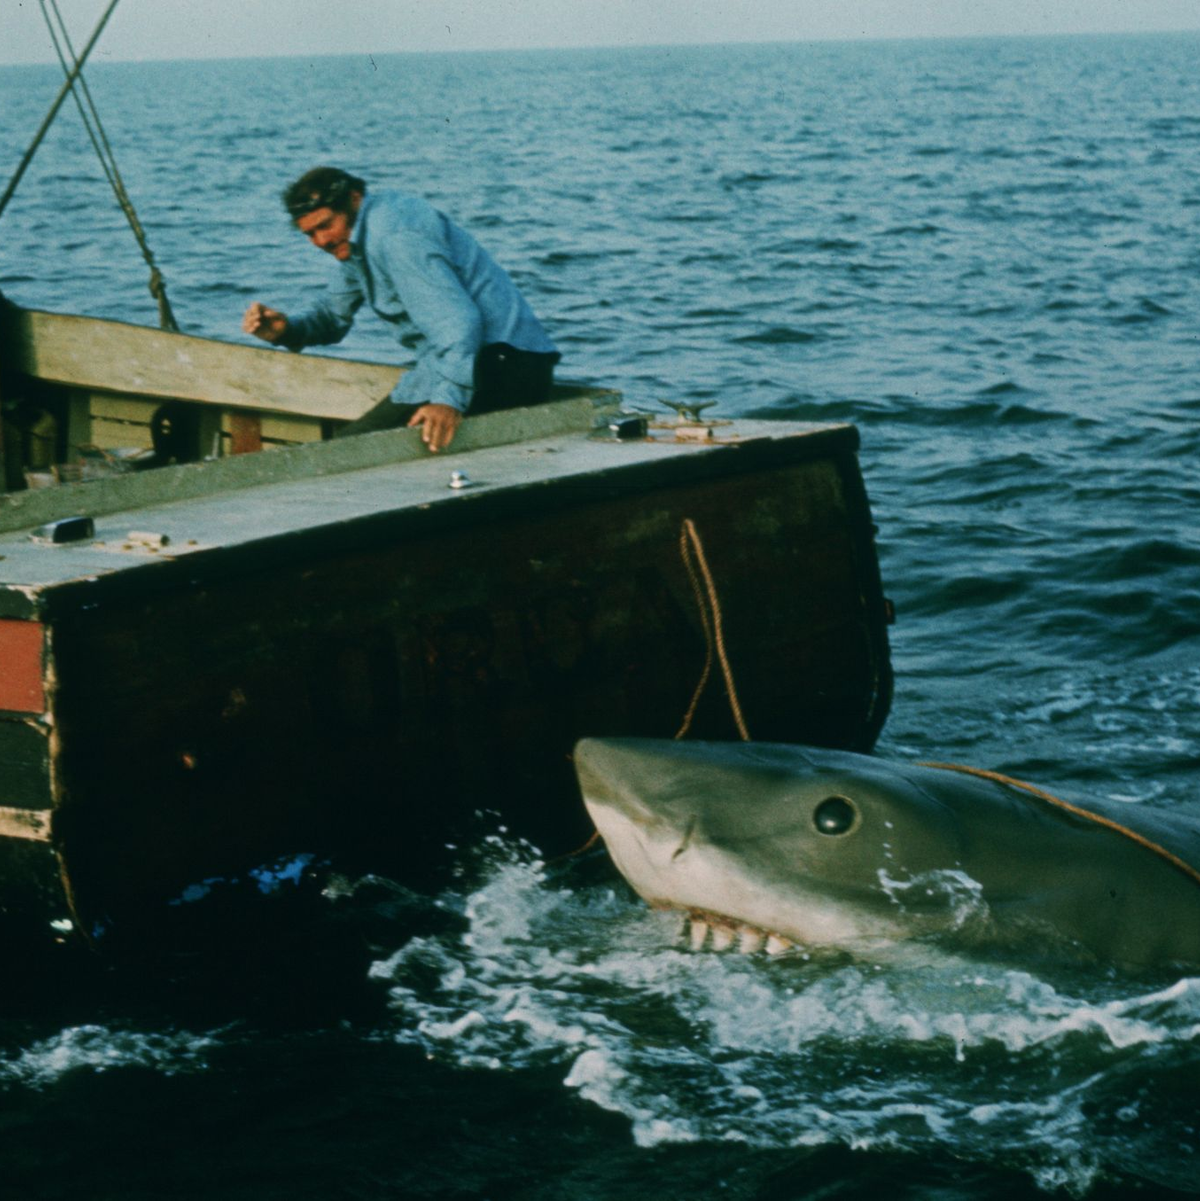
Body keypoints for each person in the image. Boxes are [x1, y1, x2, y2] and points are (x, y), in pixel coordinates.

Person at [242, 167, 560, 452]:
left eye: (325, 225)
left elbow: (459, 324)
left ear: (354, 200)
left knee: (342, 455)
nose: (320, 241)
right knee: (347, 451)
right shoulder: (356, 240)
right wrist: (287, 330)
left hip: (504, 364)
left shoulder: (393, 235)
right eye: (309, 233)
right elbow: (332, 317)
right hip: (469, 362)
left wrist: (447, 401)